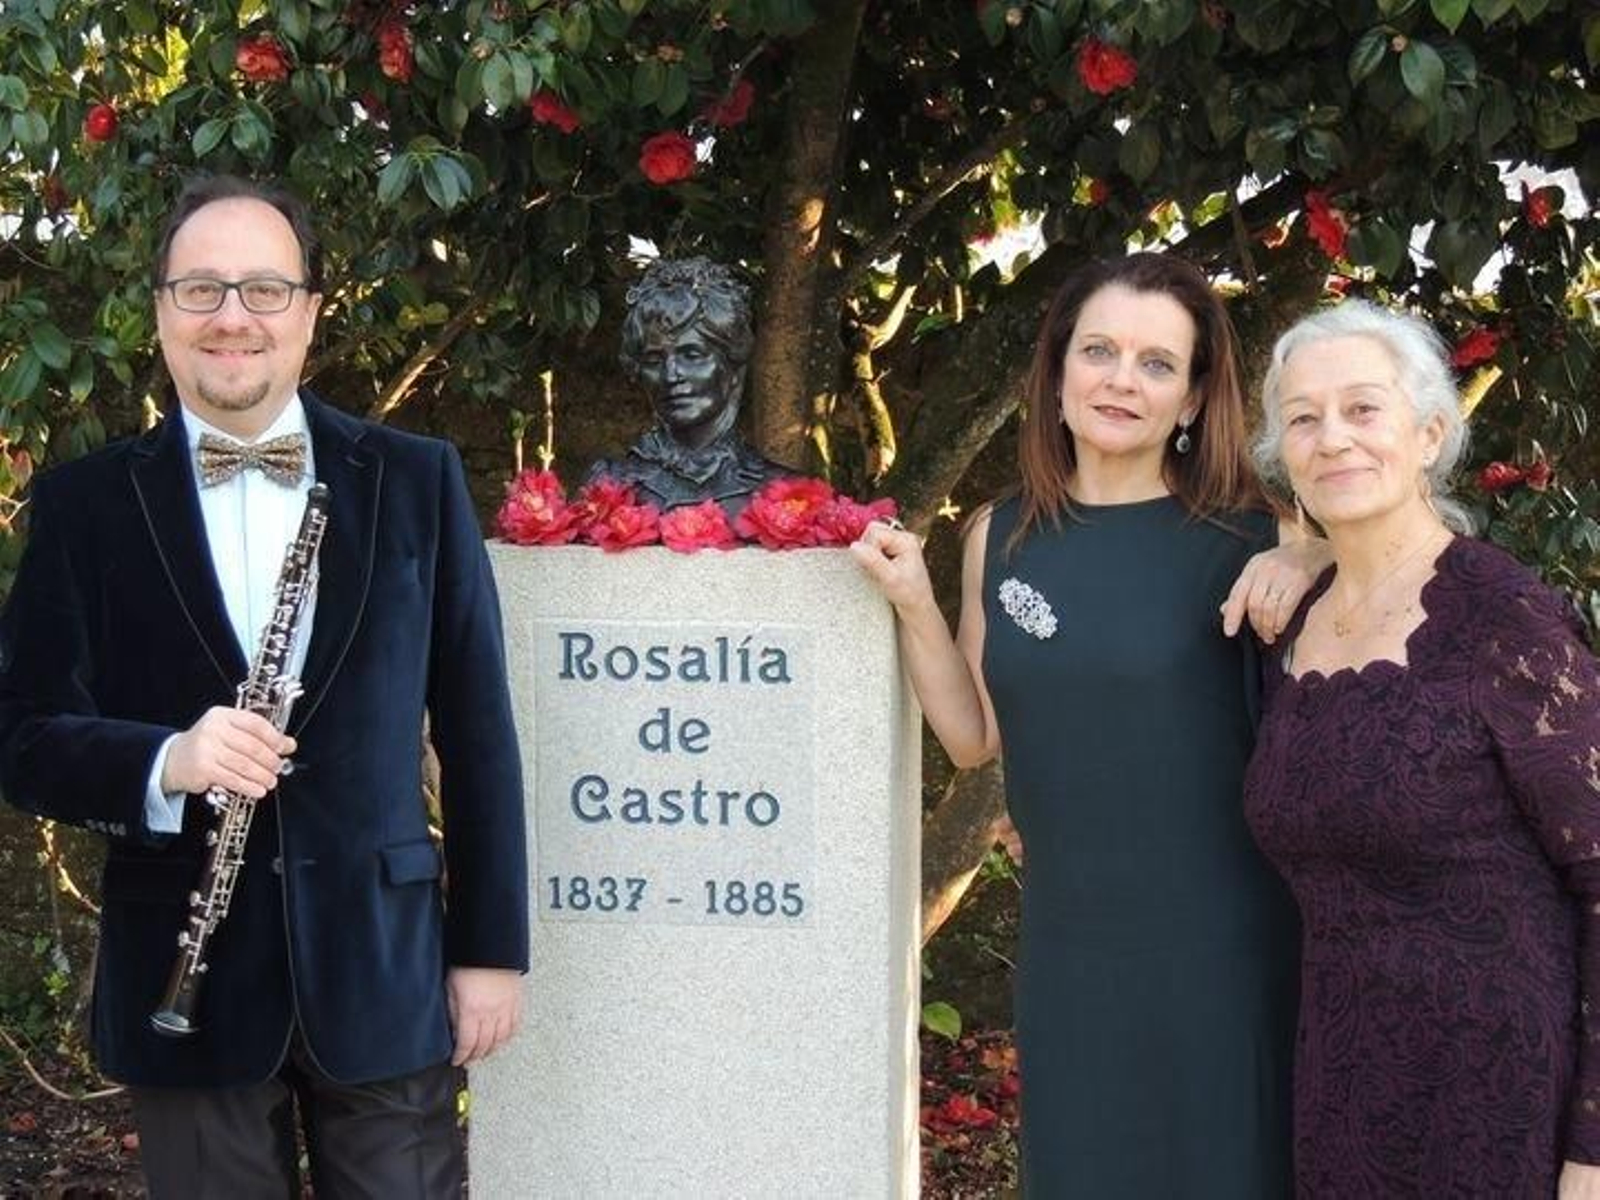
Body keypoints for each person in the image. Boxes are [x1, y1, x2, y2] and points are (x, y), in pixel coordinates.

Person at [0, 174, 529, 1198]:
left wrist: (491, 952)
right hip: (183, 988)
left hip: (384, 973)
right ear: (160, 310)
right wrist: (166, 760)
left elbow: (477, 733)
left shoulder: (417, 479)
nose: (232, 316)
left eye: (262, 289)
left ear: (310, 309)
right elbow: (19, 733)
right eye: (199, 289)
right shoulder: (82, 505)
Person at [852, 252, 1321, 1196]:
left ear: (1191, 401)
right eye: (1099, 350)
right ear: (1059, 371)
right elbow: (976, 736)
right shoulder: (1001, 531)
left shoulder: (1254, 539)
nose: (1121, 379)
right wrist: (912, 601)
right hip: (1071, 944)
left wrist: (1313, 557)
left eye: (1157, 363)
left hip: (1223, 948)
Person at [1243, 299, 1600, 1197]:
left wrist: (1593, 1153)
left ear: (1430, 432)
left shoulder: (1505, 619)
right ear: (1281, 454)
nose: (1333, 439)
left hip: (1506, 1096)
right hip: (1344, 1086)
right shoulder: (1288, 627)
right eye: (1303, 418)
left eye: (1363, 409)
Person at [585, 256, 792, 513]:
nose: (671, 375)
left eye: (692, 355)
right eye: (653, 359)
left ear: (733, 365)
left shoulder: (789, 493)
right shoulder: (609, 485)